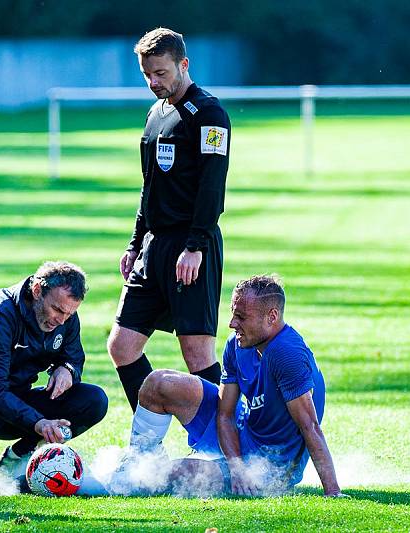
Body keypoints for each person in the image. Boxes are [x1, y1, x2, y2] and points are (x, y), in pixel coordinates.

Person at [103, 275, 345, 497]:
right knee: (159, 383)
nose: (231, 324)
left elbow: (309, 426)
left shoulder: (286, 353)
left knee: (172, 473)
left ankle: (120, 484)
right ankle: (138, 461)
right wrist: (236, 465)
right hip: (243, 430)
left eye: (241, 317)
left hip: (272, 465)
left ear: (272, 317)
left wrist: (332, 491)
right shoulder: (237, 345)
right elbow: (225, 414)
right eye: (233, 314)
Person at [108, 27, 231, 412]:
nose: (153, 82)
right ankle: (149, 444)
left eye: (160, 73)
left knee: (196, 353)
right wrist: (135, 243)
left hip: (192, 246)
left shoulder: (209, 114)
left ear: (183, 64)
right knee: (122, 346)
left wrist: (195, 246)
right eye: (147, 74)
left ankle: (223, 446)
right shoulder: (155, 112)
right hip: (153, 246)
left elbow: (212, 188)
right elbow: (149, 186)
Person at [0, 261, 109, 490]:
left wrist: (68, 369)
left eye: (69, 313)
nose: (62, 320)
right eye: (57, 310)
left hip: (15, 406)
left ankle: (19, 459)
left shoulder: (66, 318)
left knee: (94, 399)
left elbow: (74, 357)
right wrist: (38, 422)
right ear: (36, 291)